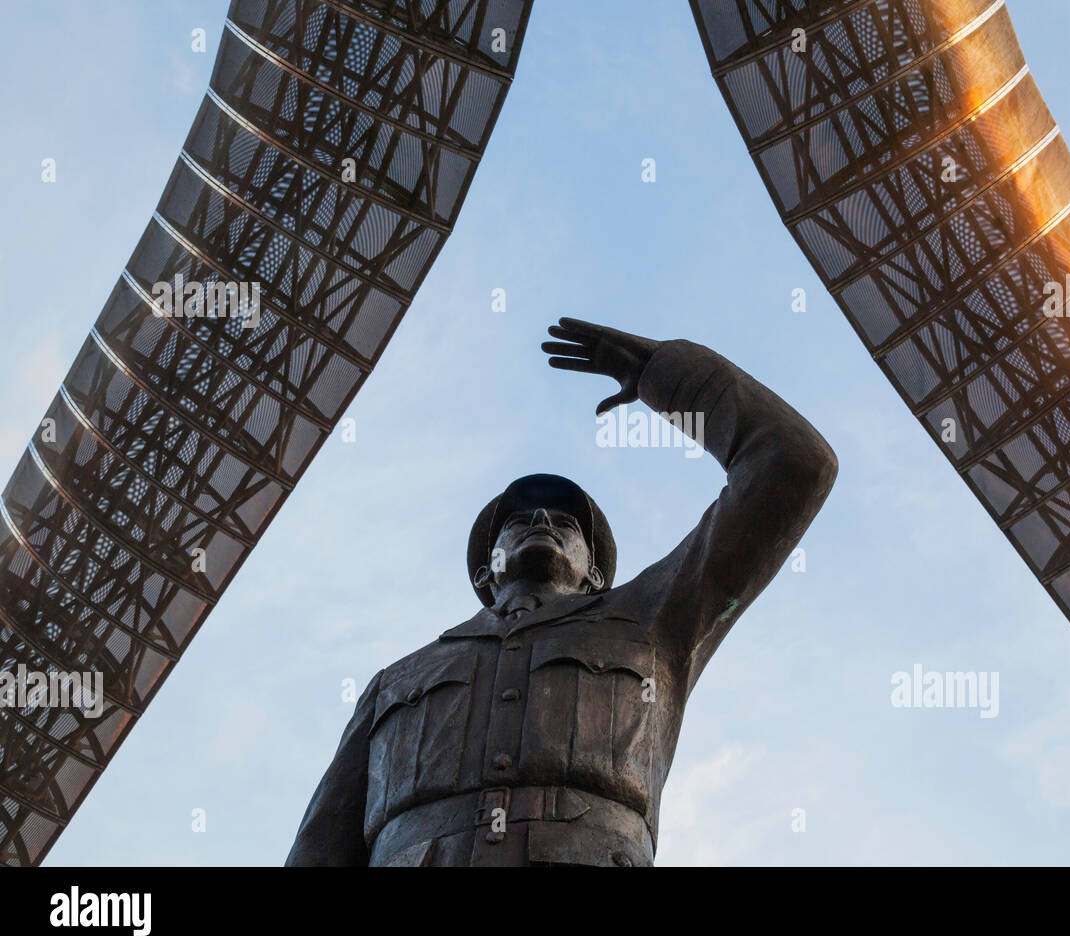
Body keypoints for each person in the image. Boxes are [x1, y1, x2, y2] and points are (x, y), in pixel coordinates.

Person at [285, 317, 837, 866]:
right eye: (517, 519)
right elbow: (318, 851)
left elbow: (794, 463)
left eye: (567, 524)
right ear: (486, 574)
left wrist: (667, 378)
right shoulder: (394, 683)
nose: (543, 517)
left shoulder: (654, 620)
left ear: (595, 575)